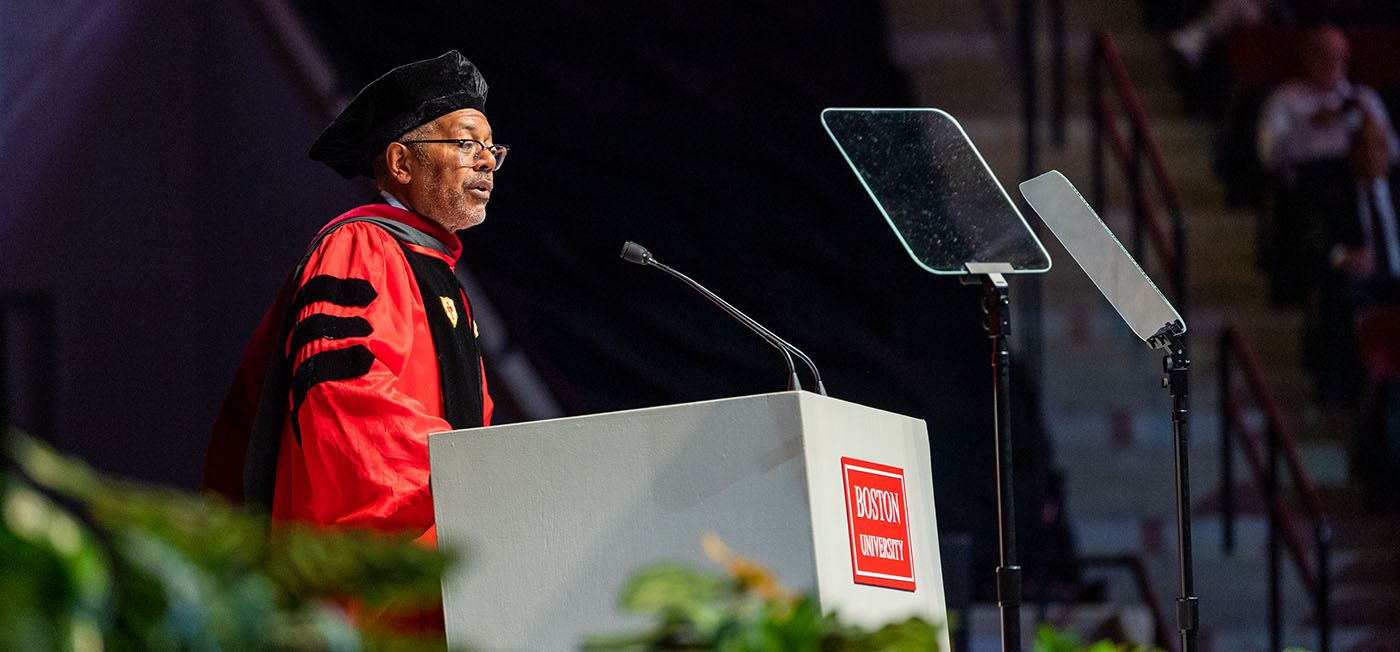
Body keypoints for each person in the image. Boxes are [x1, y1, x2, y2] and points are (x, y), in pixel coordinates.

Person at [202, 51, 501, 545]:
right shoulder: (359, 247)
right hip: (376, 559)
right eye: (468, 143)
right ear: (402, 162)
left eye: (493, 148)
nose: (487, 161)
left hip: (446, 547)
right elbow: (344, 397)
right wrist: (466, 476)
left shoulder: (440, 273)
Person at [1256, 24, 1397, 176]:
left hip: (1354, 179)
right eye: (1324, 55)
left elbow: (1394, 152)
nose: (1333, 64)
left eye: (1339, 57)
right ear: (1308, 56)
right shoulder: (1284, 98)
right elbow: (1268, 156)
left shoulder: (1364, 97)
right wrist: (1306, 126)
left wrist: (1369, 128)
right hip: (1306, 179)